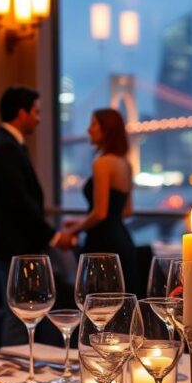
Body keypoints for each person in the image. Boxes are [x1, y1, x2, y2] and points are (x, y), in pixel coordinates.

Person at [0, 86, 73, 346]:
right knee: (18, 313)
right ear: (21, 113)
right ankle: (15, 369)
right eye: (36, 111)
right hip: (14, 247)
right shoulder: (5, 148)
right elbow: (19, 205)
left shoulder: (6, 144)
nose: (39, 118)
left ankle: (22, 365)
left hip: (13, 245)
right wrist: (54, 237)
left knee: (21, 312)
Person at [60, 109, 138, 295]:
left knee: (97, 304)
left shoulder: (102, 163)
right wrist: (83, 222)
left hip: (102, 244)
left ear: (106, 129)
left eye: (93, 124)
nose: (88, 130)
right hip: (123, 241)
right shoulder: (124, 162)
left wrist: (73, 230)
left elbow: (100, 213)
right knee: (123, 304)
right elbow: (126, 211)